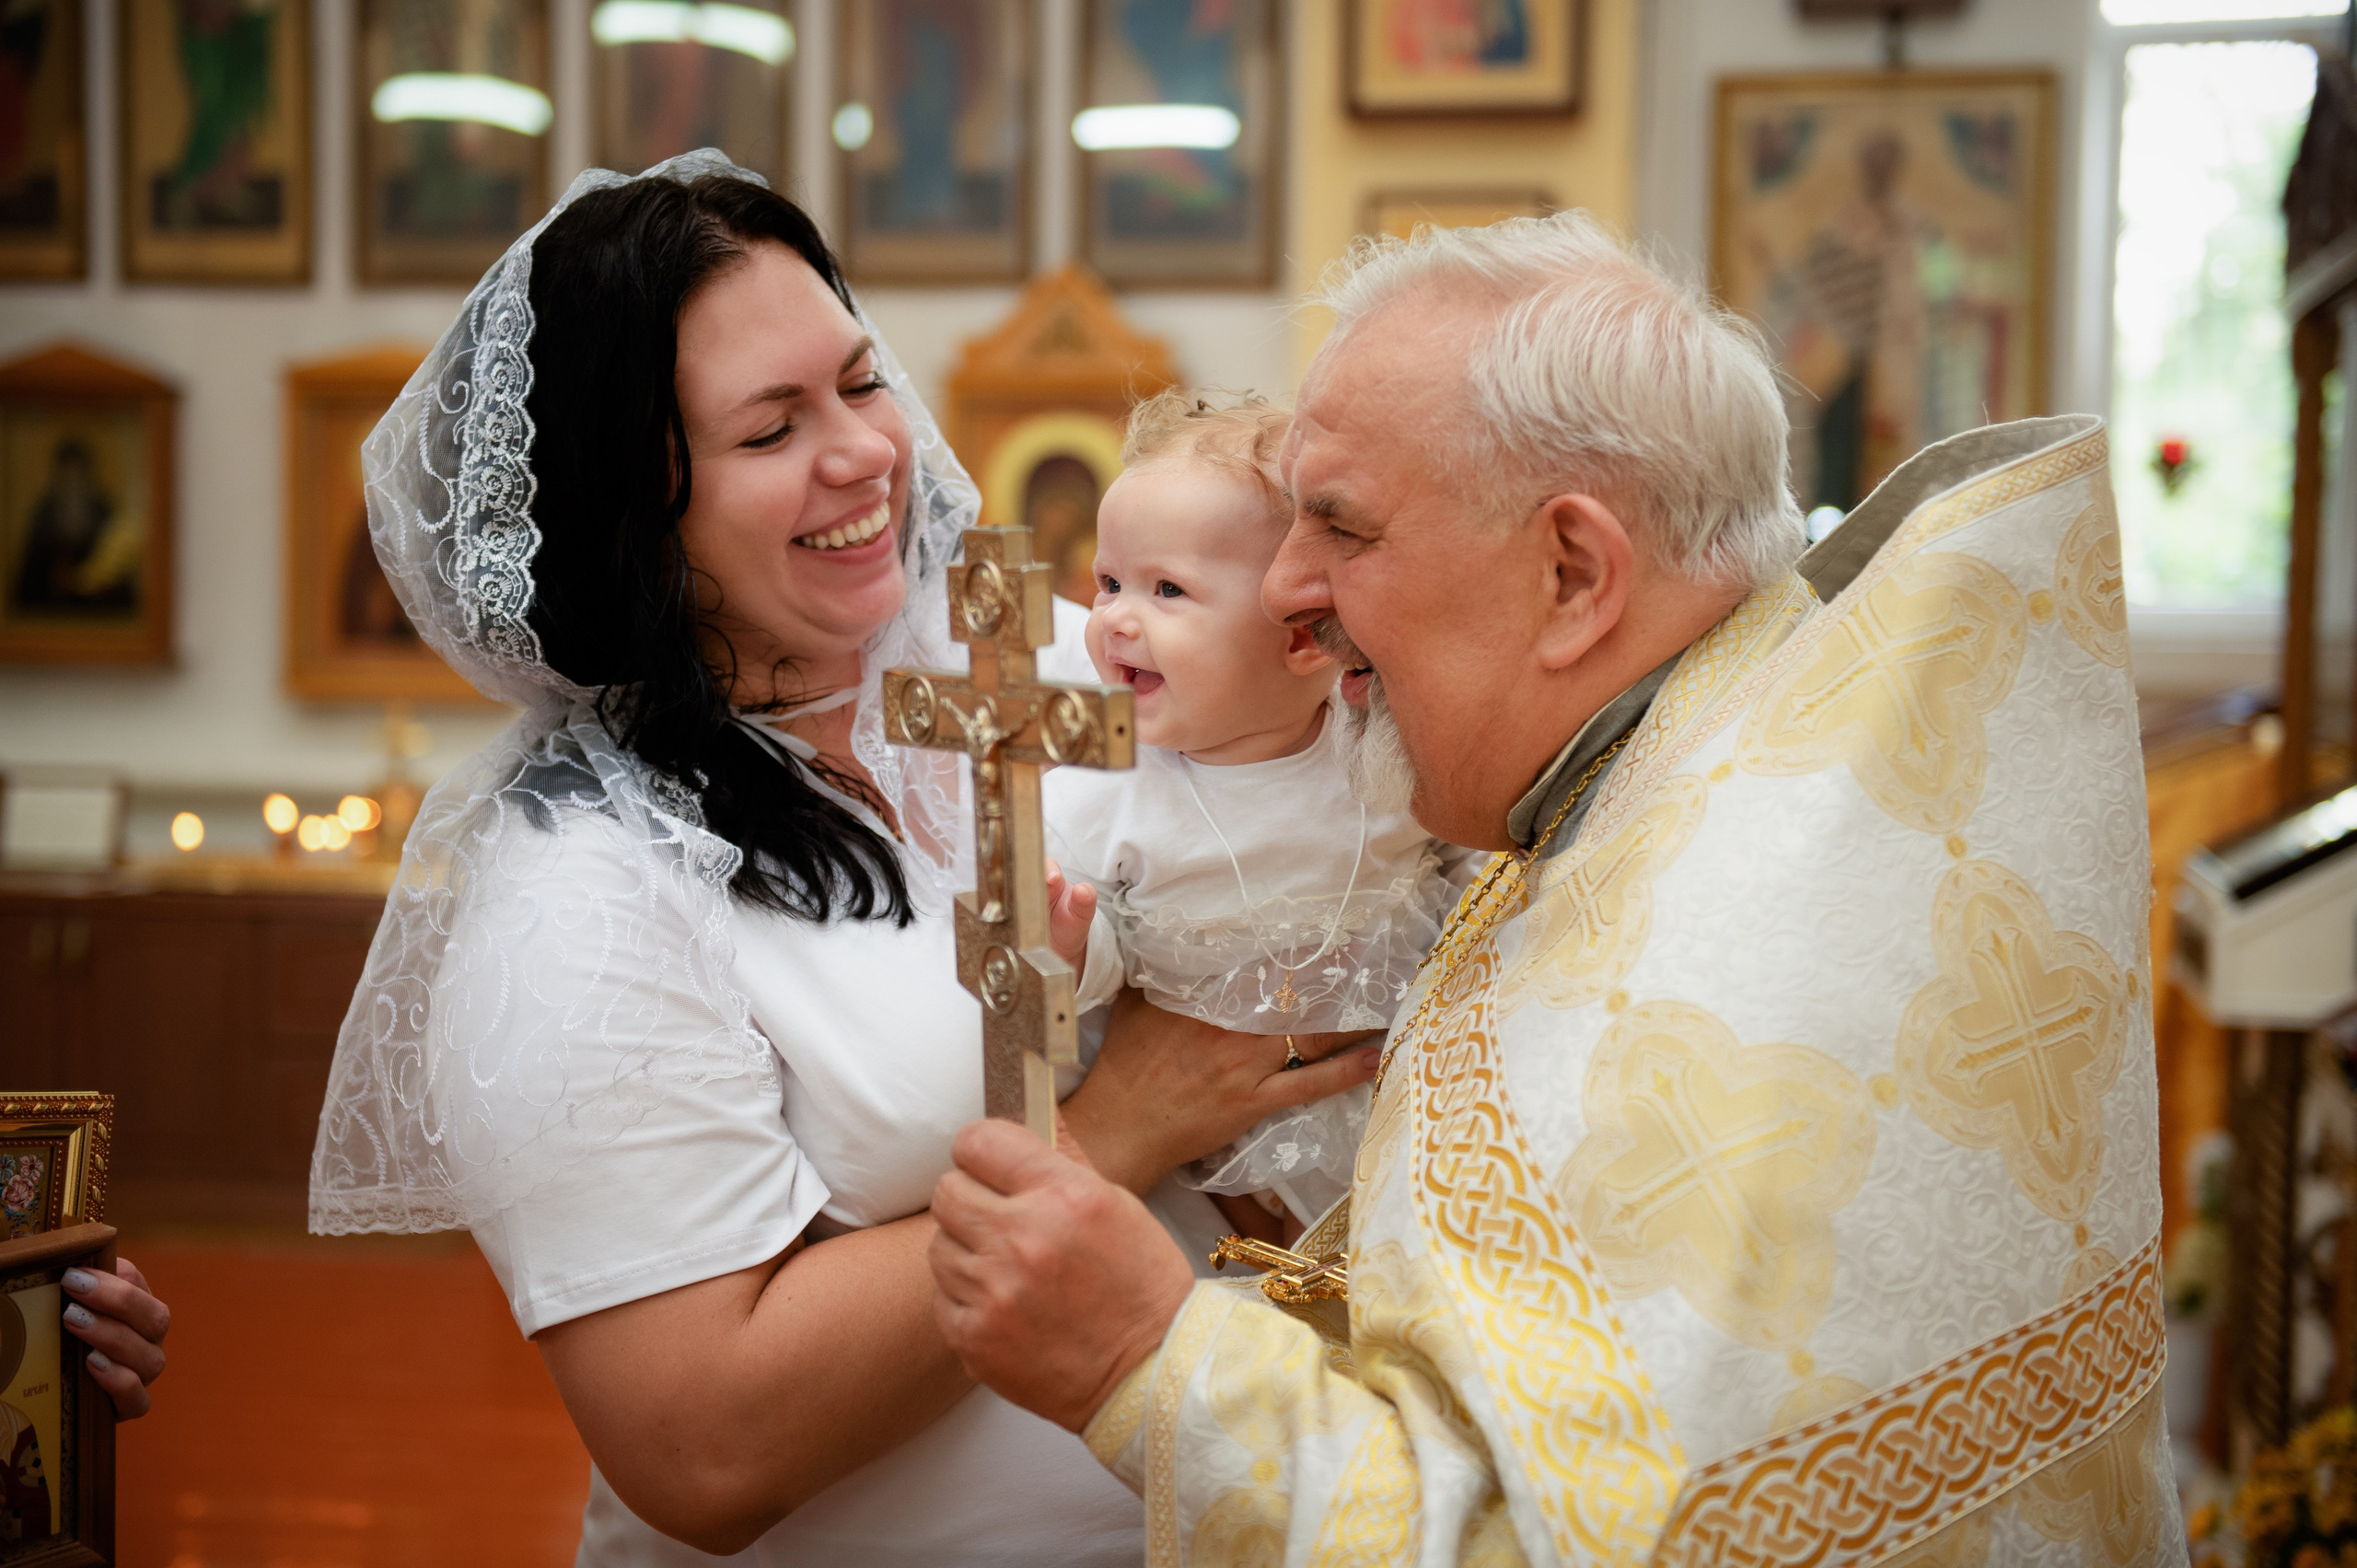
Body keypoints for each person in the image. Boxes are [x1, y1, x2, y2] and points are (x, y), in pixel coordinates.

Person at [928, 212, 2182, 1565]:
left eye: (1338, 524)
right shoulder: (1699, 777)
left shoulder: (1741, 963)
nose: (1288, 588)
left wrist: (1142, 1356)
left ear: (1573, 572)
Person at [306, 151, 1376, 1566]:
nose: (866, 451)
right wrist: (1113, 1127)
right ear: (634, 508)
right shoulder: (580, 881)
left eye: (861, 383)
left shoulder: (1051, 658)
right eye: (770, 430)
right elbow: (702, 1439)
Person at [1041, 389, 1475, 1232]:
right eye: (1108, 583)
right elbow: (1095, 973)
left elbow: (1460, 862)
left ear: (1303, 637)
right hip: (1219, 1164)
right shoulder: (1096, 794)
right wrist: (1067, 941)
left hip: (1409, 1113)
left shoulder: (1378, 746)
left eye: (1167, 589)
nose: (1116, 619)